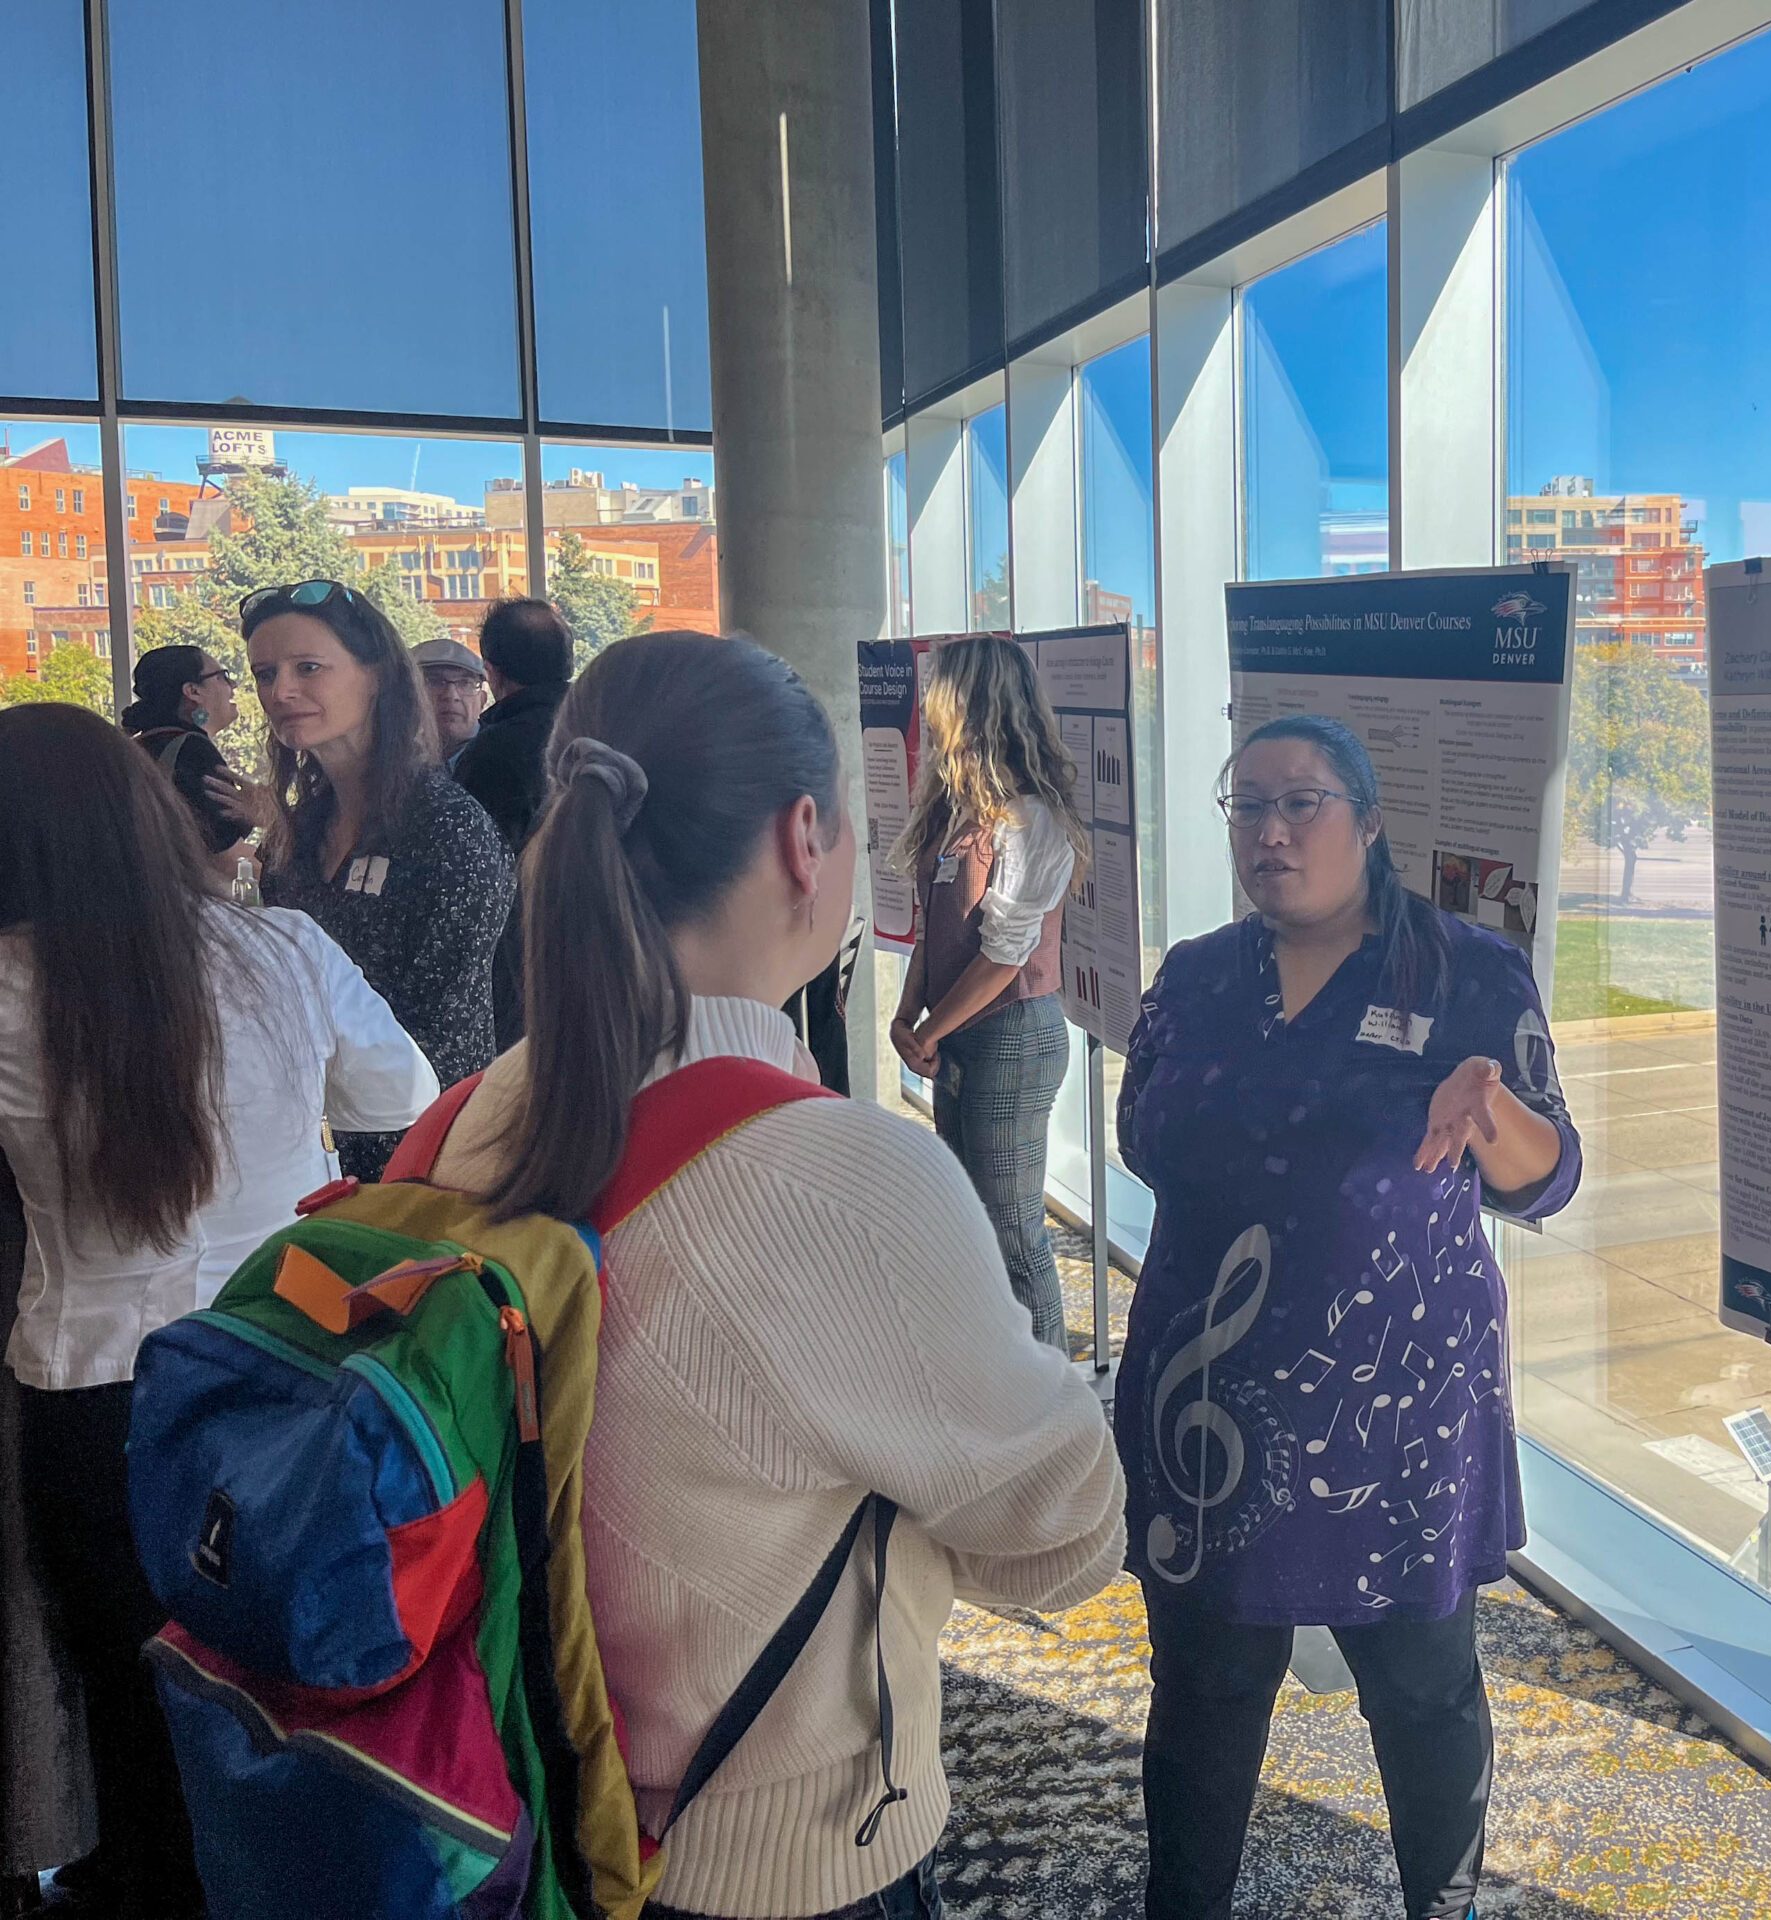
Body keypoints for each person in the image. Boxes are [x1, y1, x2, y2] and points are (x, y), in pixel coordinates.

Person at [415, 632, 1124, 1920]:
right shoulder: (840, 1181)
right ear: (807, 838)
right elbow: (1064, 1539)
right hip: (776, 1856)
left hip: (510, 1812)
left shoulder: (469, 1116)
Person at [1115, 714, 1580, 1920]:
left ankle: (1447, 1900)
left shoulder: (1462, 972)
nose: (1270, 833)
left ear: (1368, 823)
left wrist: (1490, 1114)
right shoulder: (1197, 974)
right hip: (1205, 1402)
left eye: (1302, 805)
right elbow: (1136, 1132)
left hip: (1391, 1410)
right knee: (1206, 1684)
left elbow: (1550, 1173)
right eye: (1248, 807)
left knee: (1420, 1687)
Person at [0, 703, 437, 1920]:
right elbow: (404, 1085)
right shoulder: (284, 949)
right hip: (280, 1381)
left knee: (134, 1718)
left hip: (92, 1399)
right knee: (279, 1688)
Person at [250, 580, 513, 1180]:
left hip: (430, 1165)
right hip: (316, 1163)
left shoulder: (446, 830)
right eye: (266, 674)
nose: (281, 691)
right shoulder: (299, 834)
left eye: (308, 667)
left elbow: (441, 1037)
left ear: (377, 677)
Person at [888, 635, 1086, 1350]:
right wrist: (909, 1016)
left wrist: (930, 1030)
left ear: (968, 705)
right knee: (975, 1224)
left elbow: (1007, 955)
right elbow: (934, 932)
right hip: (962, 1031)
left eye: (937, 693)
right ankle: (1001, 1381)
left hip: (1013, 1038)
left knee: (1013, 1232)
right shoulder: (955, 812)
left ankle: (1053, 1403)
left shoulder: (1032, 818)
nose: (927, 709)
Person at [455, 598, 576, 1048]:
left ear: (492, 672)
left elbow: (472, 872)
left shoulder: (493, 753)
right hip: (617, 951)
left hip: (522, 968)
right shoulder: (612, 731)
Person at [120, 643, 261, 882]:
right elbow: (227, 861)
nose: (233, 686)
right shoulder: (192, 752)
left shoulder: (141, 743)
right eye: (223, 677)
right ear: (193, 691)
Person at [413, 634, 489, 765]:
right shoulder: (388, 761)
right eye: (434, 681)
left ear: (482, 700)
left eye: (465, 683)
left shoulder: (502, 758)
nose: (451, 695)